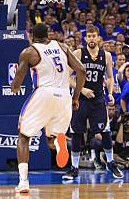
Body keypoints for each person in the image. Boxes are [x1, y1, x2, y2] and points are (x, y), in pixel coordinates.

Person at [11, 23, 86, 193]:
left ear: (32, 35)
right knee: (52, 139)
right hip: (64, 95)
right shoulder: (62, 46)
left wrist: (14, 86)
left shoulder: (29, 52)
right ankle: (60, 146)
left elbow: (17, 82)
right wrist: (75, 97)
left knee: (23, 136)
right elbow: (81, 71)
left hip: (44, 93)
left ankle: (23, 182)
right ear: (49, 34)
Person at [66, 26, 121, 180]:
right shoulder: (78, 53)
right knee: (77, 132)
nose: (91, 39)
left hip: (98, 99)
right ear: (85, 39)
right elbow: (67, 76)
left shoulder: (107, 55)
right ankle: (74, 167)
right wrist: (81, 89)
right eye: (88, 36)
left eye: (93, 36)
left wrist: (110, 93)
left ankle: (111, 163)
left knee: (105, 131)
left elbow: (110, 78)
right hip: (80, 99)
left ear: (98, 38)